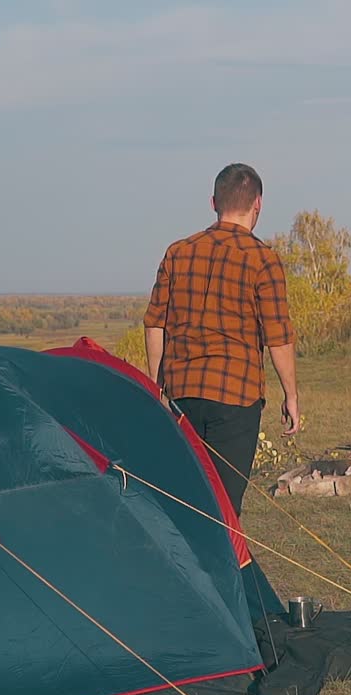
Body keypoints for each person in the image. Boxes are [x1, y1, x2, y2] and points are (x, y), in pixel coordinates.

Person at [142, 162, 300, 517]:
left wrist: (157, 386)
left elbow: (155, 324)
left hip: (182, 394)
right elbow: (278, 337)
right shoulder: (263, 260)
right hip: (236, 398)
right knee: (225, 510)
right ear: (257, 204)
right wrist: (291, 395)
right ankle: (223, 569)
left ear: (214, 202)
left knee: (186, 499)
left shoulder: (177, 252)